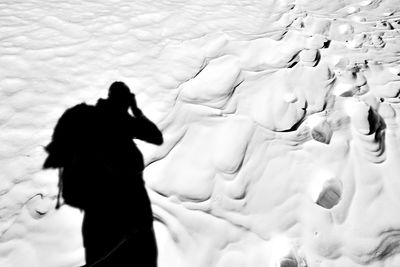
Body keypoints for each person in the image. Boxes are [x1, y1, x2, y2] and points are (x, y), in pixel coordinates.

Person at [44, 81, 163, 266]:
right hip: (127, 206)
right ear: (123, 100)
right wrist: (136, 110)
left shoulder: (95, 117)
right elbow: (156, 137)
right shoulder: (121, 119)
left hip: (97, 210)